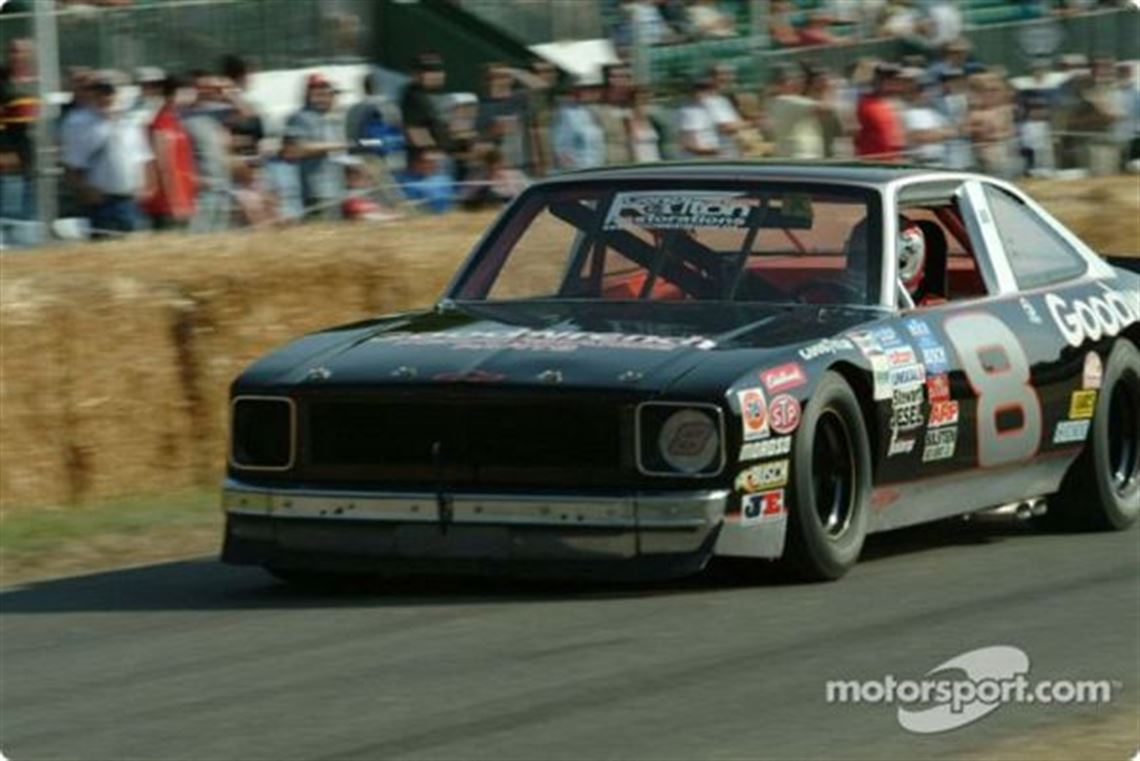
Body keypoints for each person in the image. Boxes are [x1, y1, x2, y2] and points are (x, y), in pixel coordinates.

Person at [61, 73, 154, 239]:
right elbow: (73, 164)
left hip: (129, 199)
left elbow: (143, 157)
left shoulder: (130, 123)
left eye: (109, 93)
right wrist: (85, 191)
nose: (105, 98)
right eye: (100, 93)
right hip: (102, 201)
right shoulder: (80, 123)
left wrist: (148, 187)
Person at [285, 73, 348, 219]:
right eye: (325, 93)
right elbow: (296, 149)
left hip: (337, 187)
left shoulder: (333, 117)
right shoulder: (301, 117)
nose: (331, 98)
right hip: (317, 190)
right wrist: (337, 145)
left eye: (331, 94)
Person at [140, 75, 196, 230]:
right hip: (166, 204)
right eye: (187, 91)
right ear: (172, 95)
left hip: (183, 198)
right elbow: (165, 165)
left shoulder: (176, 121)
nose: (192, 96)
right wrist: (175, 202)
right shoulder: (161, 123)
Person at [182, 73, 233, 233]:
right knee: (199, 237)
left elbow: (248, 114)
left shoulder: (218, 114)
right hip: (203, 189)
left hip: (223, 185)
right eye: (203, 88)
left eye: (212, 89)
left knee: (220, 241)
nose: (208, 92)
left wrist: (228, 93)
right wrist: (194, 179)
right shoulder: (183, 117)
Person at [0, 38, 39, 247]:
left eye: (20, 52)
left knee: (28, 220)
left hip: (30, 161)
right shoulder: (4, 82)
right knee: (11, 217)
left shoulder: (38, 82)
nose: (15, 56)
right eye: (11, 51)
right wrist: (4, 150)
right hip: (9, 164)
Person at [476, 63, 530, 174]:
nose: (501, 80)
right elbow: (480, 140)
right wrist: (495, 130)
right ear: (489, 80)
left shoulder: (521, 97)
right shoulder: (482, 106)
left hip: (526, 160)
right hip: (501, 165)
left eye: (505, 76)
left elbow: (543, 87)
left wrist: (516, 71)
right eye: (496, 77)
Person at [765, 64, 825, 159]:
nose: (796, 83)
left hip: (793, 155)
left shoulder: (774, 102)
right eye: (791, 80)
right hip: (804, 156)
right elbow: (824, 108)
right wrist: (829, 88)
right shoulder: (789, 100)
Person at [551, 80, 605, 171]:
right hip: (578, 172)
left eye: (594, 90)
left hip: (597, 169)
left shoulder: (594, 112)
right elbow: (561, 150)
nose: (592, 93)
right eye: (587, 90)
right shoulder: (567, 114)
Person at [900, 69, 951, 165]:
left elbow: (952, 131)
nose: (926, 94)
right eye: (920, 91)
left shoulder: (933, 112)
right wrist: (940, 133)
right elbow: (918, 137)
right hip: (920, 163)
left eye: (927, 90)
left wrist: (936, 134)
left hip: (941, 161)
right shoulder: (906, 112)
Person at [854, 63, 905, 160]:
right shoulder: (864, 104)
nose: (893, 85)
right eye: (887, 80)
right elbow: (855, 135)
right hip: (875, 162)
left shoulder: (900, 104)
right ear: (876, 81)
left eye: (895, 80)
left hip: (897, 161)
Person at [400, 53, 448, 151]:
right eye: (429, 71)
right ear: (415, 74)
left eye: (438, 70)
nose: (436, 75)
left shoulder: (428, 96)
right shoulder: (414, 97)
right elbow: (416, 133)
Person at [592, 63, 633, 165]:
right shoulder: (599, 108)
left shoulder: (633, 104)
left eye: (624, 76)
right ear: (609, 80)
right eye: (615, 77)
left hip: (634, 160)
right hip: (610, 161)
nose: (620, 80)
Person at [397, 147, 454, 214]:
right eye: (427, 162)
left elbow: (452, 201)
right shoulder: (404, 181)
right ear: (414, 163)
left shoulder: (444, 179)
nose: (432, 165)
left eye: (433, 162)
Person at [626, 87, 662, 163]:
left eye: (647, 102)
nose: (644, 105)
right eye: (640, 102)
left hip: (655, 160)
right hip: (639, 163)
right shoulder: (628, 122)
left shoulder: (653, 122)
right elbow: (630, 147)